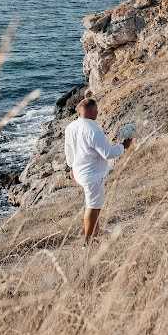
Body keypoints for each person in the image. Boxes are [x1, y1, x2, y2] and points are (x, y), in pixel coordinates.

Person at [64, 98, 132, 244]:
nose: (98, 112)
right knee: (93, 206)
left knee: (94, 203)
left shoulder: (71, 127)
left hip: (79, 171)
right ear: (91, 111)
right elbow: (108, 153)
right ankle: (88, 241)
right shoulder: (93, 130)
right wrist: (124, 146)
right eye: (96, 110)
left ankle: (96, 231)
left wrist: (71, 168)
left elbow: (68, 150)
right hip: (92, 174)